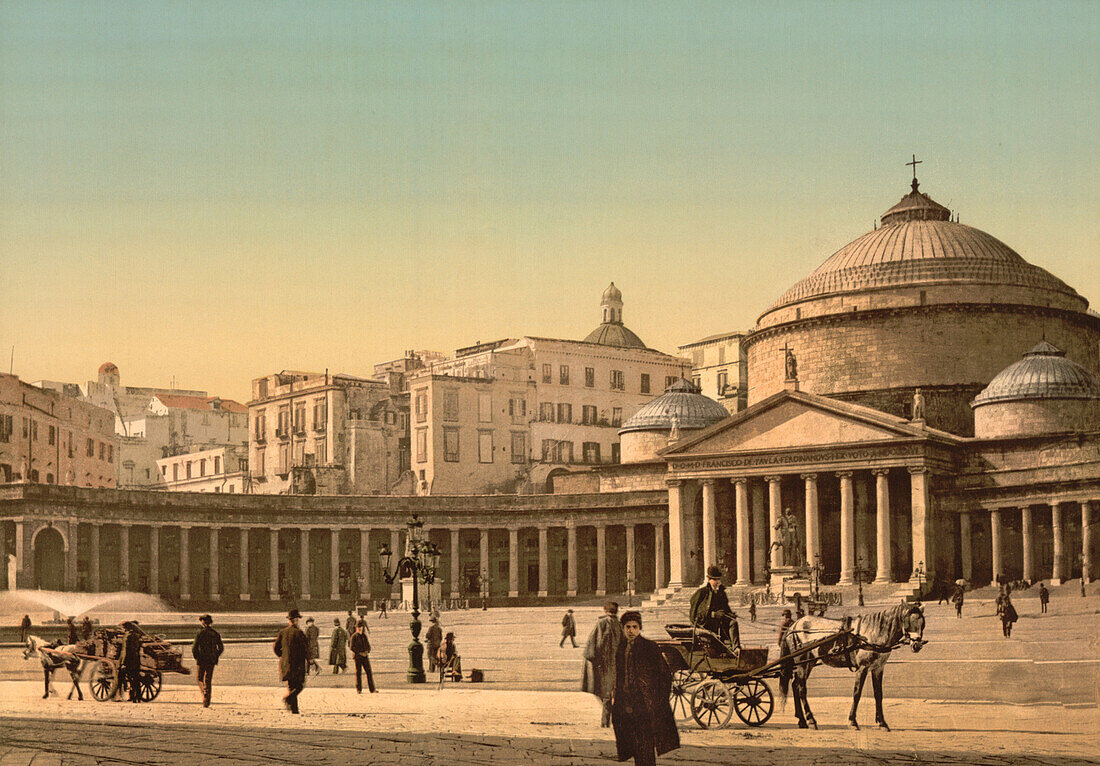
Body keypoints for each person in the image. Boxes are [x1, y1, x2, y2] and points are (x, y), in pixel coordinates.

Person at [611, 611, 679, 766]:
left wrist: (658, 700)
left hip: (644, 703)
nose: (631, 631)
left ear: (640, 628)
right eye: (628, 627)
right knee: (633, 744)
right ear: (623, 628)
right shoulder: (621, 648)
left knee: (646, 744)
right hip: (626, 702)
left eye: (635, 627)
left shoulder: (650, 647)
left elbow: (665, 675)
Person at [582, 601, 623, 727]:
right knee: (611, 691)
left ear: (605, 610)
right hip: (617, 662)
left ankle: (605, 721)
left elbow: (596, 642)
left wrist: (592, 657)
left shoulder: (602, 623)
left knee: (603, 691)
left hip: (604, 662)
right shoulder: (620, 624)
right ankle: (609, 719)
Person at [689, 566, 736, 649]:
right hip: (706, 625)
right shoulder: (701, 593)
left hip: (720, 625)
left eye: (718, 579)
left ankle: (736, 648)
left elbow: (726, 609)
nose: (717, 582)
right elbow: (695, 614)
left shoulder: (721, 594)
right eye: (715, 580)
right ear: (709, 580)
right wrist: (713, 614)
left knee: (733, 623)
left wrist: (730, 615)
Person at [274, 609, 309, 713]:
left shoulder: (282, 632)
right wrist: (310, 660)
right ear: (296, 620)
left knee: (291, 686)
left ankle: (294, 709)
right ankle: (288, 699)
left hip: (286, 664)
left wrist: (283, 656)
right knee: (300, 685)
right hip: (297, 665)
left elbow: (276, 648)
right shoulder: (299, 633)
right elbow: (305, 649)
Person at [191, 614, 224, 708]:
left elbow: (194, 647)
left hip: (202, 659)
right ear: (210, 623)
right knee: (208, 679)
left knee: (199, 678)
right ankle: (207, 702)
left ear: (202, 622)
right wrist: (216, 655)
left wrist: (196, 657)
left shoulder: (200, 633)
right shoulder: (215, 633)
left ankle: (203, 691)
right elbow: (221, 648)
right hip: (211, 659)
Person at [349, 621, 376, 693]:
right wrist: (360, 652)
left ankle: (372, 689)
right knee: (358, 673)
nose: (360, 629)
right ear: (356, 628)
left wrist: (367, 652)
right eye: (358, 627)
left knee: (369, 672)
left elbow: (368, 646)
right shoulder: (354, 636)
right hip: (358, 657)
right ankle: (359, 689)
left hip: (365, 656)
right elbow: (352, 647)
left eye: (361, 627)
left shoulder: (364, 636)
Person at [122, 622, 144, 703]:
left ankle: (133, 697)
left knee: (131, 679)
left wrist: (123, 663)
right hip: (136, 658)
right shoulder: (137, 636)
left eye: (123, 628)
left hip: (129, 660)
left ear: (126, 628)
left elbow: (125, 651)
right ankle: (138, 696)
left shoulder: (127, 637)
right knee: (136, 678)